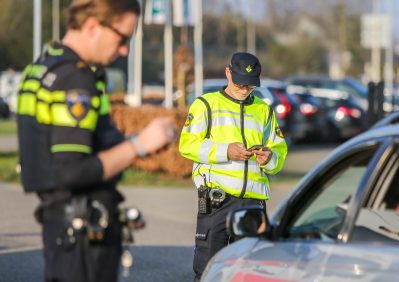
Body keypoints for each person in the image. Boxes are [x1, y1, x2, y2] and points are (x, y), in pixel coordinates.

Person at [16, 1, 176, 281]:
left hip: (61, 227)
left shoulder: (44, 66)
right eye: (122, 37)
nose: (124, 49)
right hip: (82, 239)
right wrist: (140, 144)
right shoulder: (75, 79)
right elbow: (71, 171)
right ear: (92, 26)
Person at [179, 52, 288, 280]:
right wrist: (225, 151)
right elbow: (187, 145)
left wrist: (268, 158)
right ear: (228, 73)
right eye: (240, 83)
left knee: (249, 272)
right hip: (217, 200)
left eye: (250, 85)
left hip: (253, 203)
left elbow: (279, 150)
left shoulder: (264, 110)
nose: (244, 89)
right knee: (209, 269)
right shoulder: (205, 105)